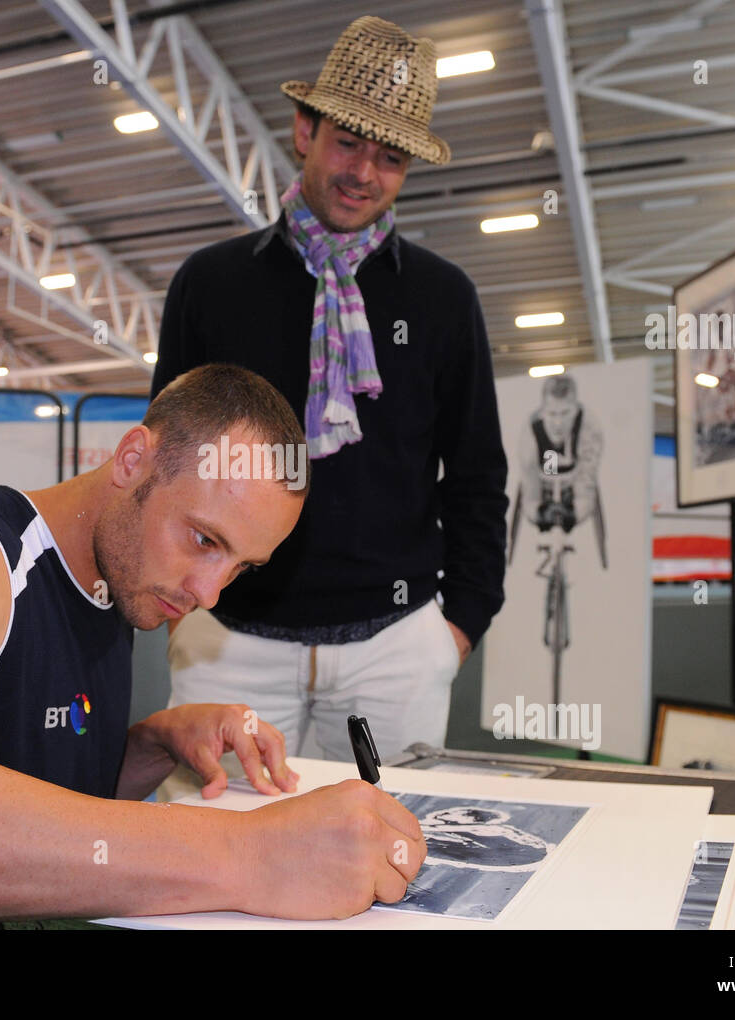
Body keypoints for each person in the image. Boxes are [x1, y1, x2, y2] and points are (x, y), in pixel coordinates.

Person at [0, 364, 426, 928]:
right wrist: (246, 852)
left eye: (241, 567)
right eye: (204, 539)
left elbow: (35, 819)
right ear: (134, 459)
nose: (210, 592)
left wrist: (151, 747)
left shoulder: (118, 584)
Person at [150, 17, 508, 763]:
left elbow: (476, 478)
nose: (364, 173)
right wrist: (185, 612)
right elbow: (166, 461)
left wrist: (458, 627)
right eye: (348, 143)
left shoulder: (444, 298)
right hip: (230, 645)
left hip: (396, 650)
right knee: (217, 857)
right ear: (303, 129)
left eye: (389, 158)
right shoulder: (212, 285)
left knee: (383, 869)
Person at [516, 375, 603, 536]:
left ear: (575, 410)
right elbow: (530, 489)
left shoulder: (589, 428)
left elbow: (587, 483)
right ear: (543, 411)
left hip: (575, 484)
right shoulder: (531, 431)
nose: (558, 423)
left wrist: (574, 512)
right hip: (544, 482)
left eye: (565, 413)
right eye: (552, 414)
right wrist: (539, 512)